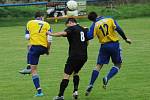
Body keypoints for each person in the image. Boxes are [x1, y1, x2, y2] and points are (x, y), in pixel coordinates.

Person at [85, 12, 132, 96]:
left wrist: (86, 30)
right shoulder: (110, 19)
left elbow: (89, 37)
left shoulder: (94, 24)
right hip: (114, 44)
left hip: (104, 46)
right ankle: (107, 77)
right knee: (118, 64)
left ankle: (91, 84)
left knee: (98, 65)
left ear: (91, 20)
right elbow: (119, 29)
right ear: (97, 14)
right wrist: (125, 38)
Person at [47, 18, 89, 100]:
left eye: (67, 25)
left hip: (74, 56)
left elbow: (62, 33)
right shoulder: (83, 29)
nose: (67, 27)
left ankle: (60, 96)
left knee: (66, 75)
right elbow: (87, 42)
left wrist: (51, 34)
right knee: (76, 73)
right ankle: (75, 91)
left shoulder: (72, 28)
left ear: (70, 22)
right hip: (84, 56)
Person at [23, 11, 52, 96]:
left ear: (35, 17)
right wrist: (48, 49)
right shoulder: (47, 24)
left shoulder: (30, 23)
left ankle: (39, 92)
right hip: (43, 47)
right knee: (29, 47)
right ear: (42, 17)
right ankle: (28, 67)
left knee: (34, 70)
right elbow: (50, 39)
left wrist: (33, 38)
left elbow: (27, 37)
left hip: (35, 48)